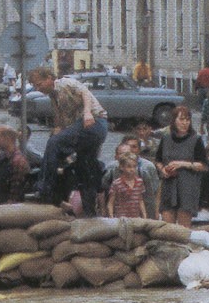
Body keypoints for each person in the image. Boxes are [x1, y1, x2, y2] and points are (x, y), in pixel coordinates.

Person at [30, 66, 109, 217]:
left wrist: (87, 112)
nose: (38, 89)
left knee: (55, 143)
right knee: (84, 167)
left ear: (49, 78)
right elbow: (61, 118)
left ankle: (45, 188)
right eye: (35, 86)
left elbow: (84, 92)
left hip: (94, 123)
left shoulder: (64, 83)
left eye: (39, 84)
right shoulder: (53, 96)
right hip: (84, 129)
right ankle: (89, 212)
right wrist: (58, 128)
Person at [155, 106, 208, 227]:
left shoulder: (196, 139)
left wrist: (182, 164)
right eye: (181, 119)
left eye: (187, 120)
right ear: (174, 120)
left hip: (187, 187)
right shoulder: (166, 138)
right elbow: (158, 160)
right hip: (169, 185)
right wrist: (163, 169)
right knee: (168, 226)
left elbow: (203, 165)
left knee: (183, 228)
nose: (185, 123)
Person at [107, 154, 148, 218]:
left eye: (134, 166)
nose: (132, 169)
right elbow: (111, 202)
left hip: (135, 217)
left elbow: (140, 200)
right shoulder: (116, 183)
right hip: (121, 218)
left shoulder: (139, 182)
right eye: (129, 167)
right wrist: (111, 216)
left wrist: (144, 215)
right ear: (121, 167)